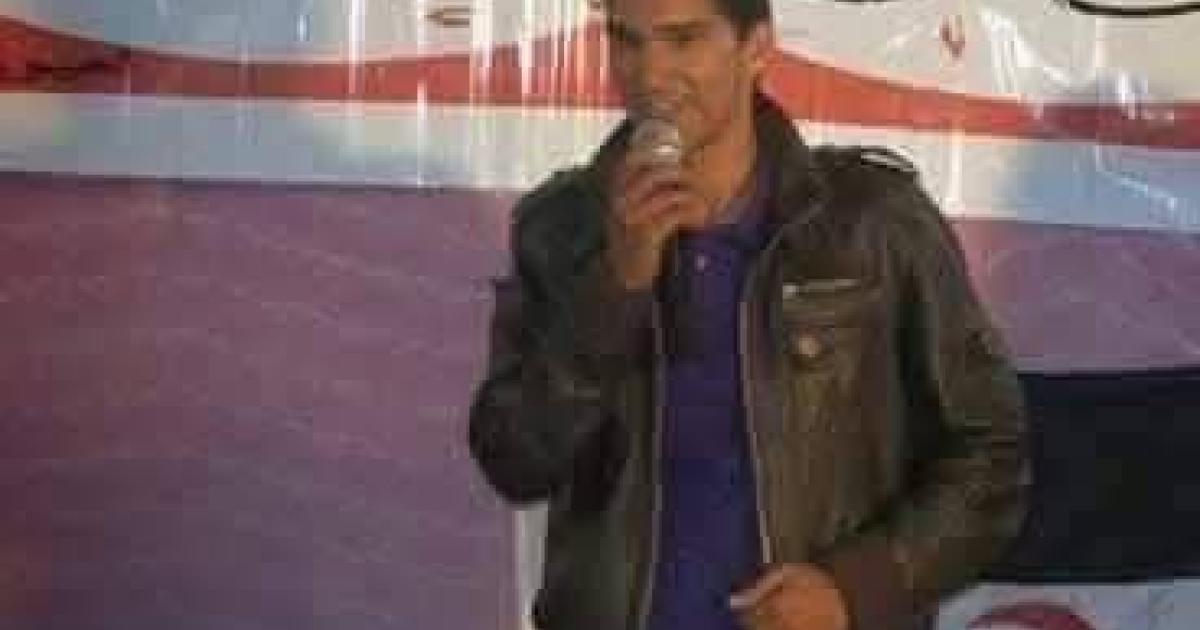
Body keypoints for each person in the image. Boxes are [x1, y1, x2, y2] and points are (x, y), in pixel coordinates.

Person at [467, 0, 1028, 628]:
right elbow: (514, 460)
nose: (650, 74)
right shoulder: (561, 229)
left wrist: (854, 588)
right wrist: (616, 287)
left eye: (683, 40)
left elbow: (992, 456)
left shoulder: (874, 224)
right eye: (627, 40)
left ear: (756, 47)